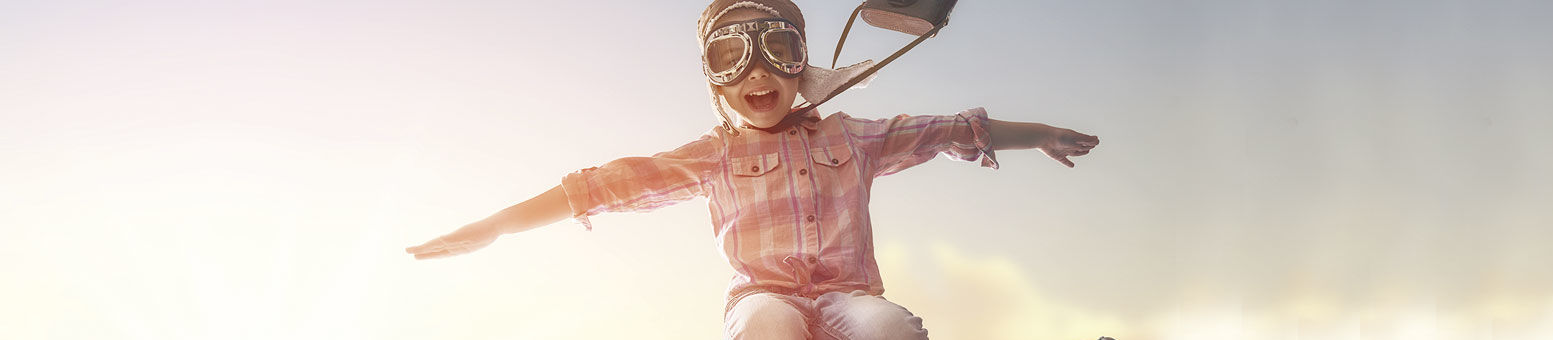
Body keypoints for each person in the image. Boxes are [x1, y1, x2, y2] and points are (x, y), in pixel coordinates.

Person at [405, 1, 1101, 339]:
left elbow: (949, 130)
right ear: (713, 81)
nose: (756, 73)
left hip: (846, 298)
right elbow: (603, 186)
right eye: (730, 58)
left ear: (801, 66)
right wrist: (494, 226)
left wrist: (1036, 133)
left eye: (776, 50)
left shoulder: (852, 137)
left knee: (884, 326)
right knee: (767, 320)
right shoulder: (714, 155)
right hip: (763, 298)